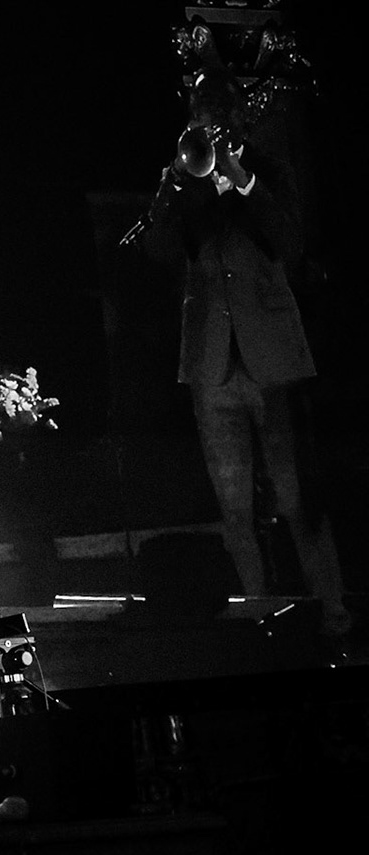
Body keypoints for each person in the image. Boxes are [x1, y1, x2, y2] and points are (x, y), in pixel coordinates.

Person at [141, 68, 352, 636]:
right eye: (197, 119)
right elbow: (158, 254)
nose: (205, 128)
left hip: (273, 364)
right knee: (235, 508)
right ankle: (263, 615)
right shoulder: (184, 179)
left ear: (234, 122)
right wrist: (170, 194)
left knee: (298, 496)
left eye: (214, 118)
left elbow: (290, 242)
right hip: (212, 366)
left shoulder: (269, 169)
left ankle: (333, 612)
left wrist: (245, 182)